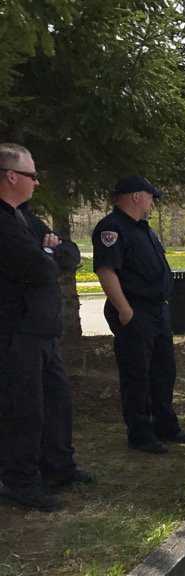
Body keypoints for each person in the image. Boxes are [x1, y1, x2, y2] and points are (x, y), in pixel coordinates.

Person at [0, 143, 90, 512]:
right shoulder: (3, 223)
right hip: (15, 332)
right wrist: (48, 255)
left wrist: (52, 251)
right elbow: (37, 268)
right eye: (32, 175)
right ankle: (19, 480)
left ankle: (57, 466)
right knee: (24, 408)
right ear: (11, 176)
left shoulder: (27, 218)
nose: (37, 182)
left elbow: (71, 253)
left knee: (57, 400)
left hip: (43, 332)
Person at [92, 174, 185, 454]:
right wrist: (125, 312)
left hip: (157, 310)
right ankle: (140, 432)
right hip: (134, 310)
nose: (152, 202)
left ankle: (165, 425)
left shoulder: (143, 229)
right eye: (150, 196)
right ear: (136, 196)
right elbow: (106, 271)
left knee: (164, 370)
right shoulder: (111, 228)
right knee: (137, 374)